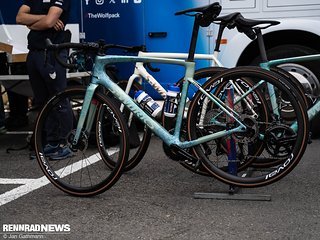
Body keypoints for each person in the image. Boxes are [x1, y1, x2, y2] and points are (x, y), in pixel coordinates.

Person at [16, 0, 73, 160]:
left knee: (58, 99)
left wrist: (35, 21)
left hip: (53, 53)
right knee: (42, 102)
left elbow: (49, 21)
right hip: (34, 53)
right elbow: (20, 18)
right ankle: (51, 143)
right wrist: (44, 19)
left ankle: (64, 144)